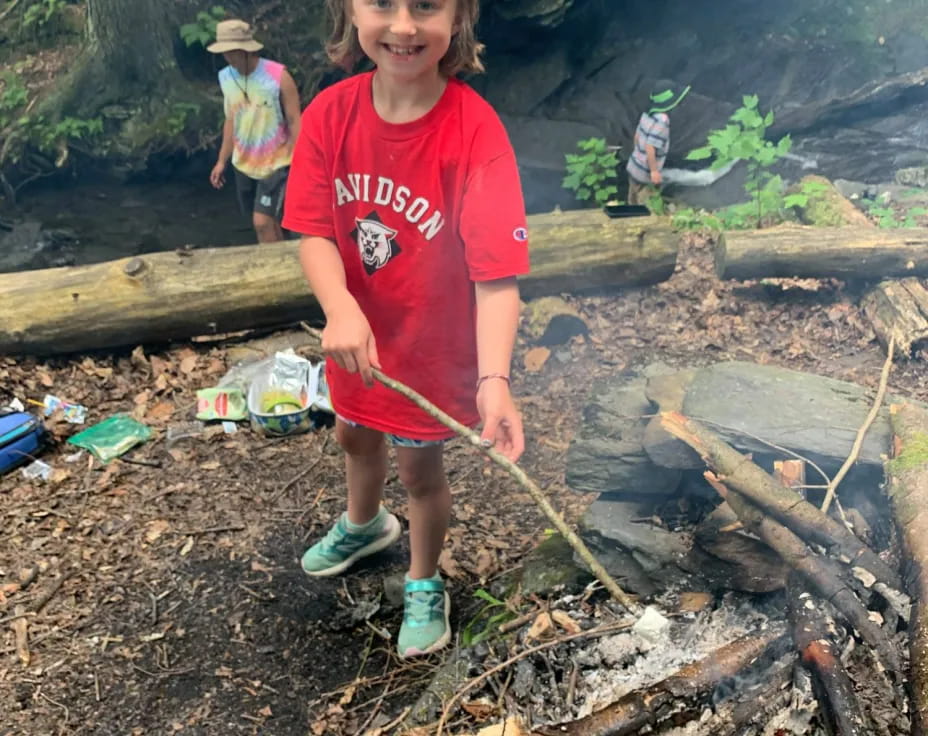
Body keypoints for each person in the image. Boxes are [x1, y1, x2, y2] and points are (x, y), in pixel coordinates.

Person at [282, 0, 529, 658]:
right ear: (348, 12)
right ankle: (365, 525)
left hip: (433, 357)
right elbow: (311, 231)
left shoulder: (475, 132)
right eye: (382, 4)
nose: (403, 26)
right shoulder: (330, 115)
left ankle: (423, 580)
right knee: (352, 435)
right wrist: (339, 306)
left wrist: (494, 381)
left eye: (426, 6)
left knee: (421, 474)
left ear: (459, 17)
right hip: (355, 341)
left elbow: (498, 277)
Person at [207, 19, 301, 243]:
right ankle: (284, 264)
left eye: (233, 52)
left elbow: (294, 119)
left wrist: (300, 158)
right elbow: (231, 120)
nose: (229, 58)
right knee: (268, 222)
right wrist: (222, 160)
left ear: (246, 50)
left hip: (276, 161)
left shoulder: (277, 76)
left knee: (262, 222)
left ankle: (273, 273)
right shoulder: (225, 77)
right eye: (225, 53)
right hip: (244, 162)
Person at [626, 80, 690, 206]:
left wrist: (638, 156)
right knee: (646, 203)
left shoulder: (647, 114)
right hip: (645, 173)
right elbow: (650, 147)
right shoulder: (662, 121)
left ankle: (630, 213)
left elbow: (637, 136)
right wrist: (654, 171)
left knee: (632, 197)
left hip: (634, 165)